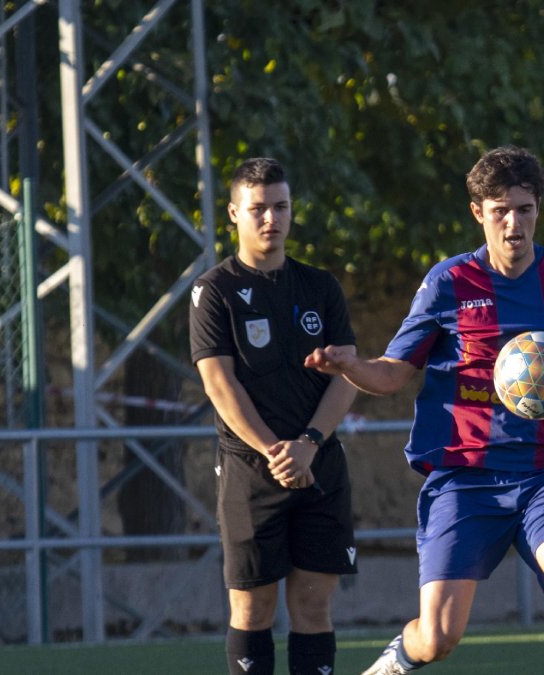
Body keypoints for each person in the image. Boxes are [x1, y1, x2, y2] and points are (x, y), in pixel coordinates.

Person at [303, 146, 544, 675]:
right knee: (438, 636)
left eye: (525, 209)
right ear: (478, 213)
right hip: (465, 475)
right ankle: (396, 660)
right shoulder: (448, 283)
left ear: (538, 210)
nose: (515, 223)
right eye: (501, 210)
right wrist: (350, 365)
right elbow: (394, 374)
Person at [190, 157, 359, 675]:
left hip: (320, 466)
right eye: (258, 208)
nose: (271, 218)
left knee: (312, 606)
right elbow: (220, 384)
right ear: (234, 214)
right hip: (251, 472)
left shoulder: (320, 286)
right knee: (253, 609)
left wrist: (308, 442)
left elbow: (346, 375)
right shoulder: (213, 291)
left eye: (280, 206)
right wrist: (275, 452)